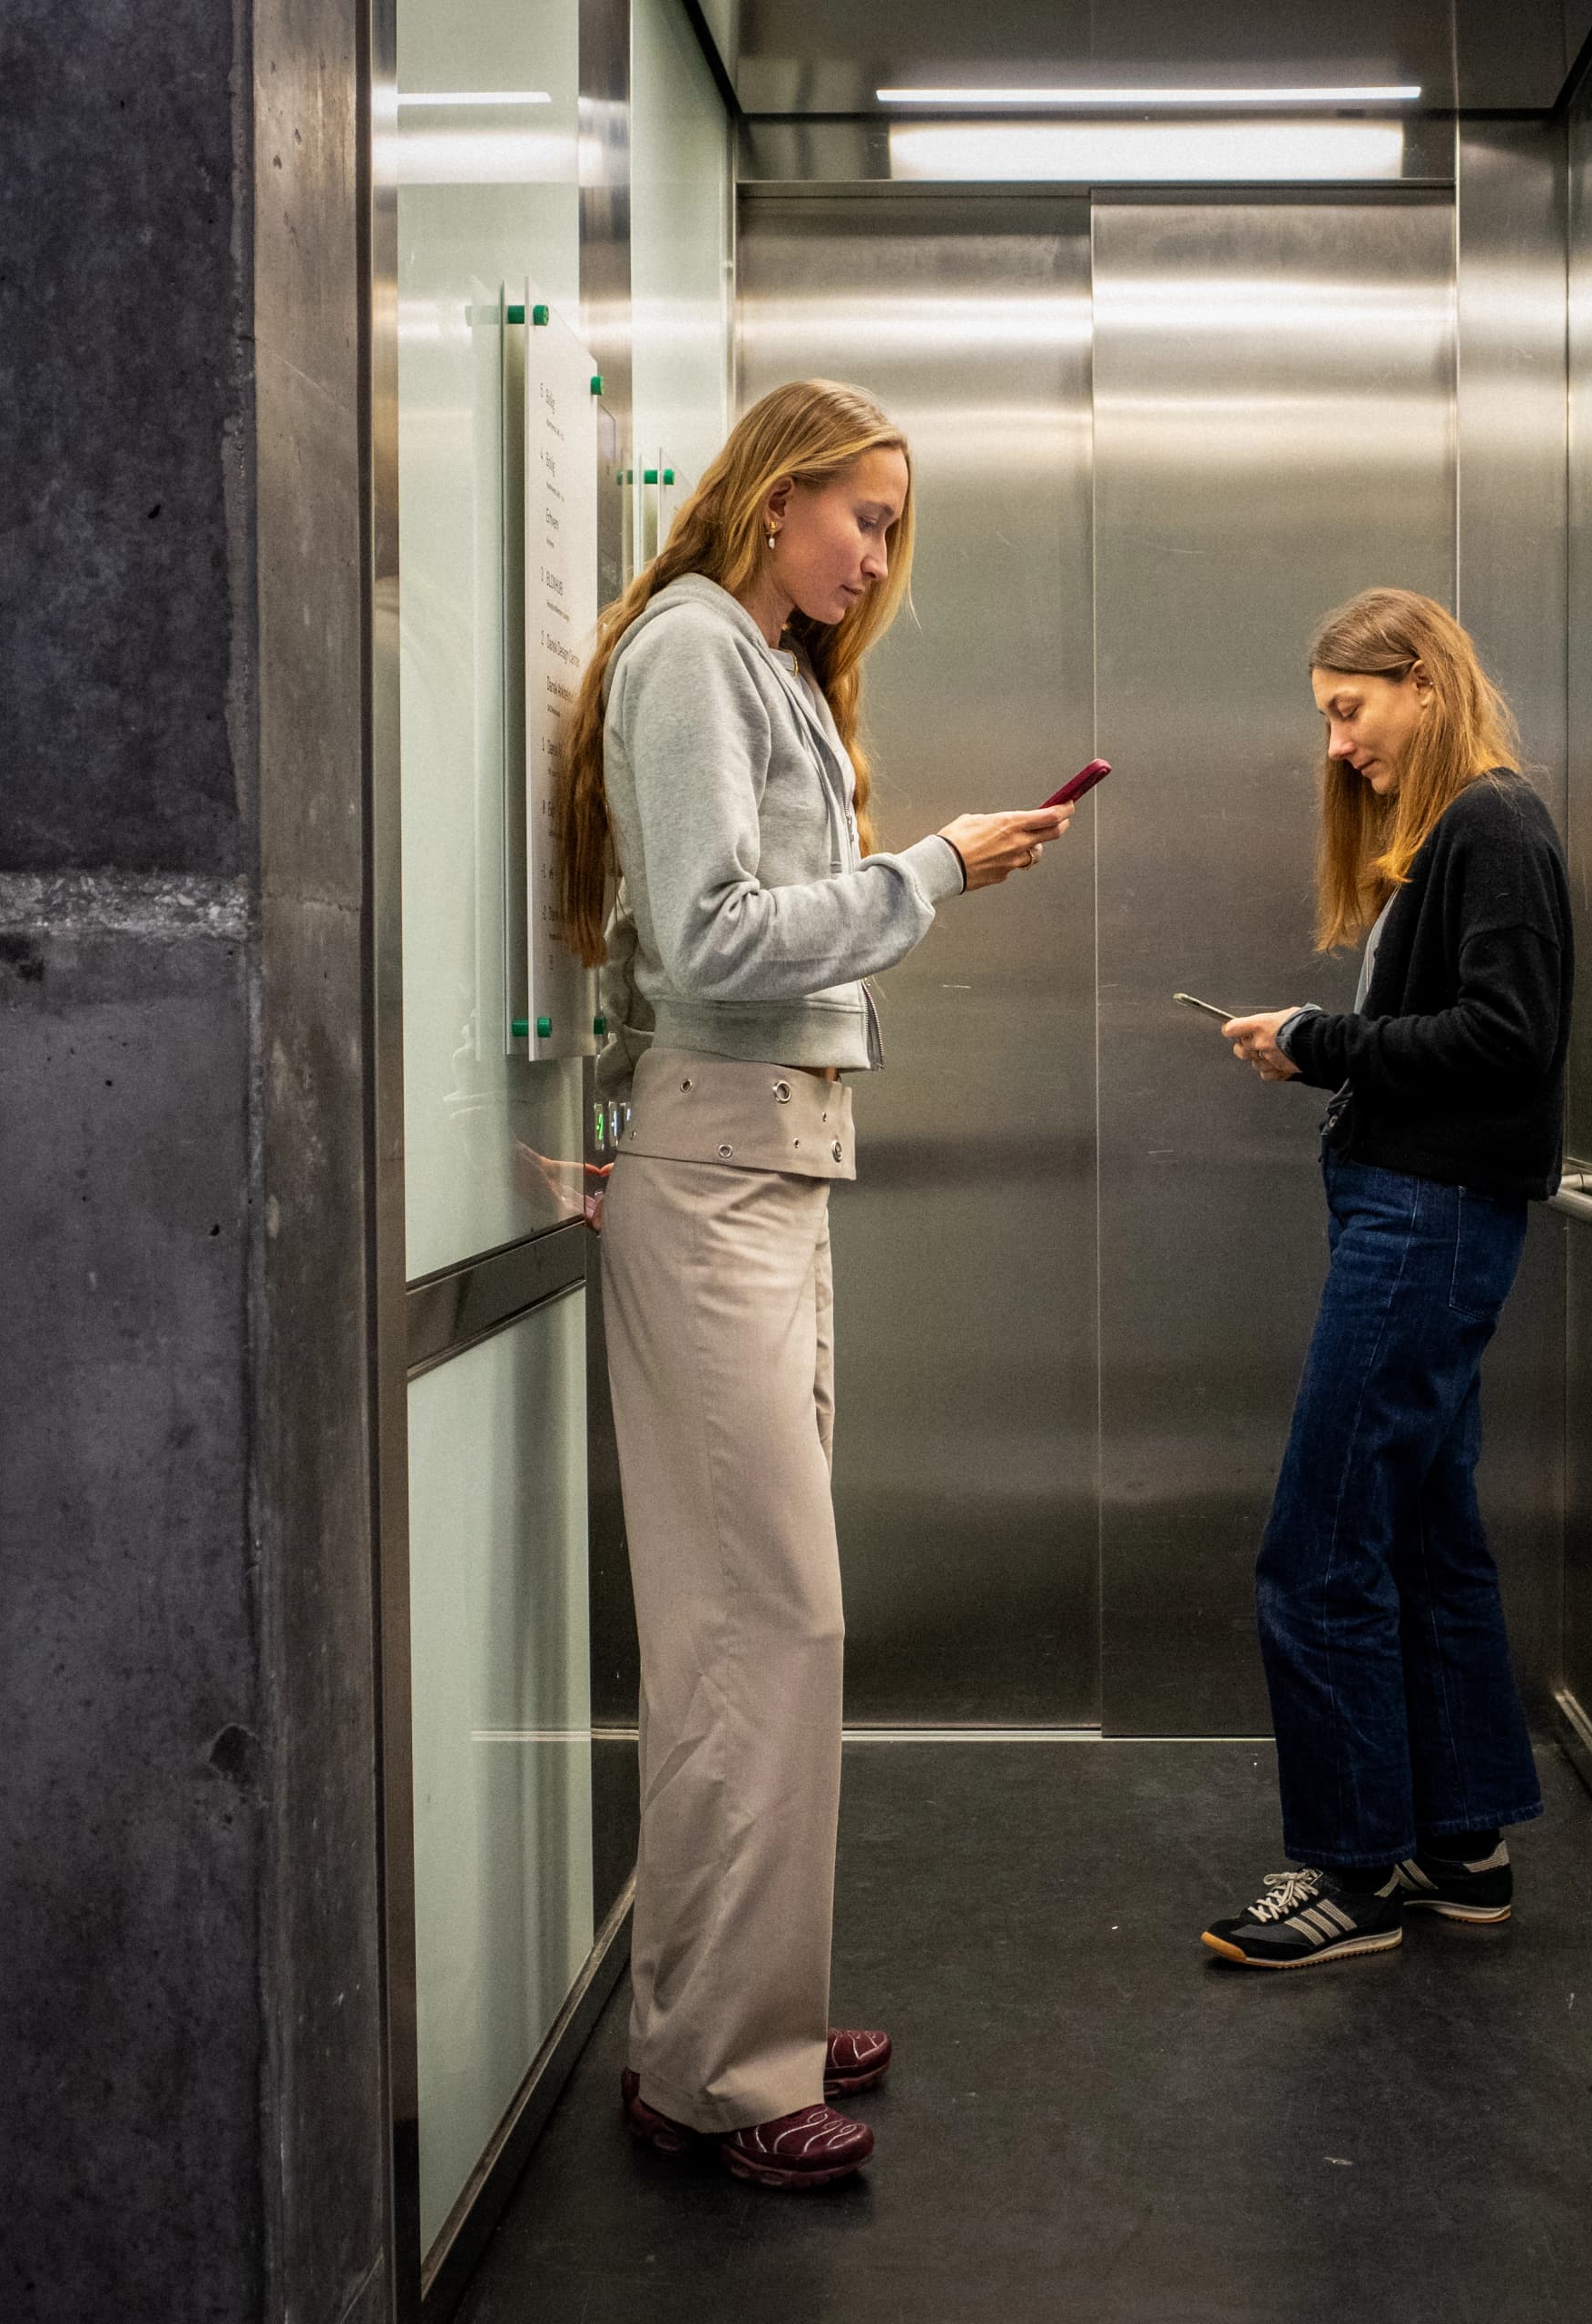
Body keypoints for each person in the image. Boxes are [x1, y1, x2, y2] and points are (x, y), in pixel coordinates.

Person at [556, 377, 1072, 2181]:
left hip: (768, 1172)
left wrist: (915, 871)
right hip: (724, 1177)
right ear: (775, 497)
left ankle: (733, 2004)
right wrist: (929, 869)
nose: (877, 553)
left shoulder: (749, 659)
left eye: (889, 523)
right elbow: (707, 935)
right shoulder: (693, 649)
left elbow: (685, 937)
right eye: (863, 514)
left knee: (754, 1629)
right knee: (762, 1626)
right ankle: (722, 2069)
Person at [1198, 586, 1573, 1970]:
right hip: (1414, 1206)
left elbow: (1506, 1037)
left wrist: (1326, 1040)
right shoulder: (1460, 834)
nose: (1341, 745)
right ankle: (1462, 1845)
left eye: (1350, 711)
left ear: (1421, 681)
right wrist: (1328, 1044)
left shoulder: (1492, 822)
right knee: (1421, 1533)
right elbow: (1467, 1031)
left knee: (1325, 1538)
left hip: (1426, 1219)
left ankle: (1350, 1872)